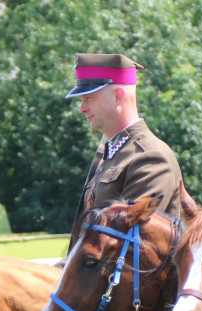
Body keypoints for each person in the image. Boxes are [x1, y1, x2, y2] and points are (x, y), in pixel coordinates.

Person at [67, 52, 184, 222]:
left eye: (88, 98)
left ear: (118, 96)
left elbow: (130, 234)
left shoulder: (149, 157)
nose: (82, 108)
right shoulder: (113, 152)